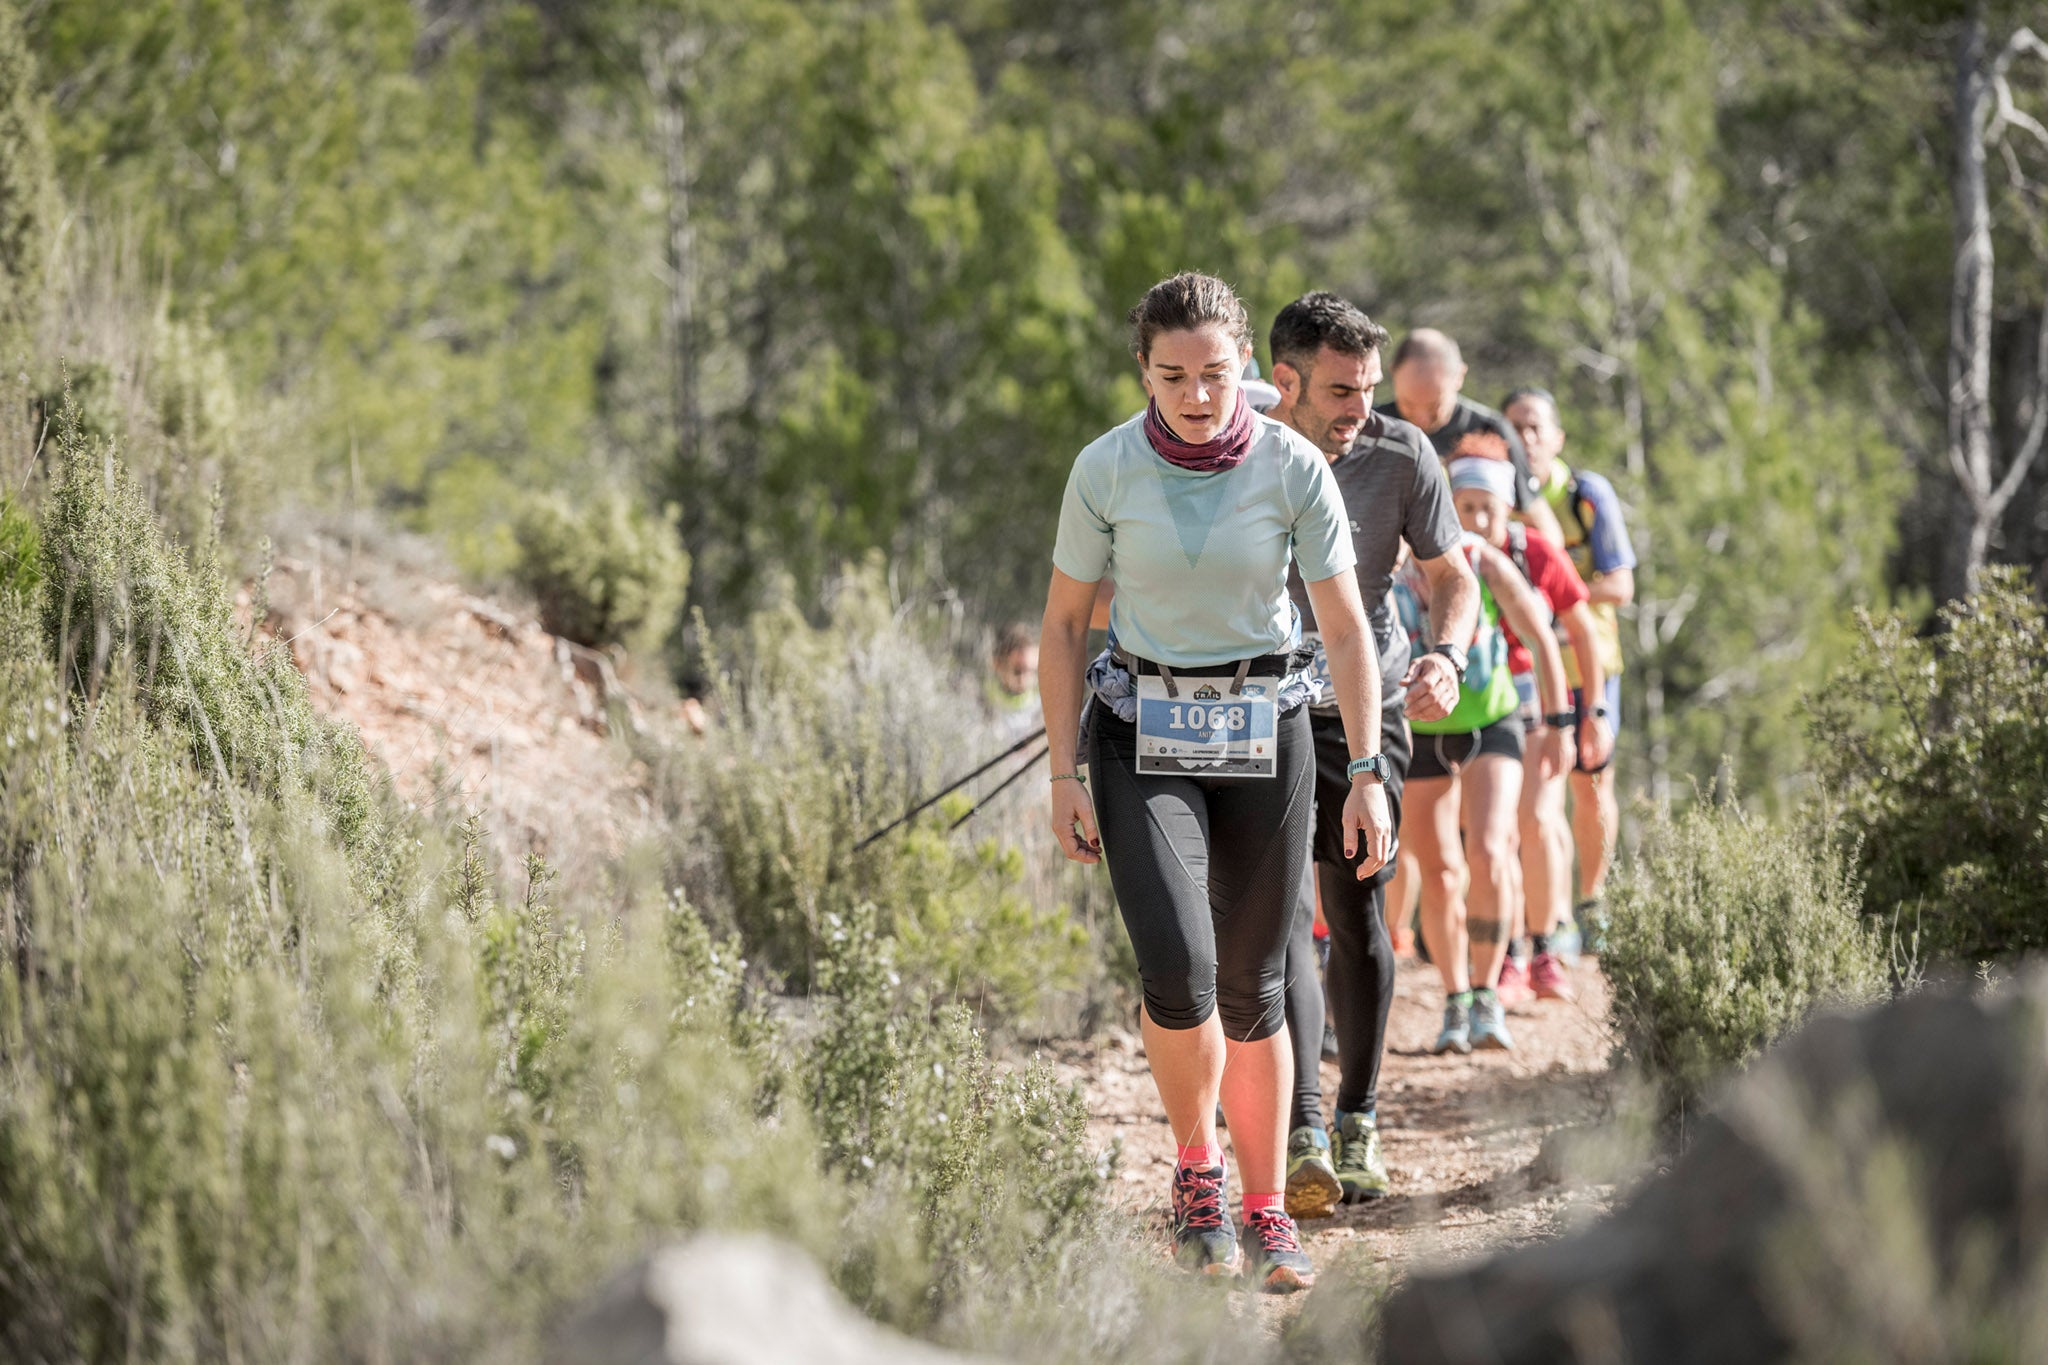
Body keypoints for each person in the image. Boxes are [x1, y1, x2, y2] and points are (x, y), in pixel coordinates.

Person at [1039, 272, 1393, 1292]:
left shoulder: (1291, 468)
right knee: (1179, 971)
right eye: (1172, 375)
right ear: (1142, 373)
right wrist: (1062, 769)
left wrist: (1364, 772)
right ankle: (1197, 1173)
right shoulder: (1103, 468)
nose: (1196, 393)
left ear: (1247, 366)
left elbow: (1341, 628)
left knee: (1253, 988)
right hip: (1139, 735)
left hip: (1265, 732)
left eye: (1214, 372)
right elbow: (1064, 626)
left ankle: (1266, 1205)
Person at [1261, 292, 1480, 1217]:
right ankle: (1304, 1124)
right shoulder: (1242, 449)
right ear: (1286, 383)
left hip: (1370, 702)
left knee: (1355, 908)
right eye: (1341, 391)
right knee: (1280, 913)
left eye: (1367, 388)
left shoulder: (1401, 452)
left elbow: (1451, 573)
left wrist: (1448, 654)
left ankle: (1358, 1115)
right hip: (1264, 706)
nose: (1361, 410)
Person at [1392, 456, 1572, 1055]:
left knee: (1491, 850)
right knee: (1440, 872)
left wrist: (1558, 723)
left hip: (1493, 721)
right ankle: (1455, 999)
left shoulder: (1480, 560)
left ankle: (1489, 990)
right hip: (1417, 728)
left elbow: (1544, 636)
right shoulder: (1386, 565)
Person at [1447, 461, 1612, 1003]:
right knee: (1497, 837)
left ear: (1508, 506)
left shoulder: (1536, 550)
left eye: (1487, 507)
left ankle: (1546, 948)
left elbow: (1582, 631)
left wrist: (1590, 712)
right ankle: (1511, 953)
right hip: (1483, 706)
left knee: (1539, 819)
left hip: (1541, 702)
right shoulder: (1445, 554)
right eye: (1466, 506)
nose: (1476, 518)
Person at [1503, 387, 1636, 937]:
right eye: (1516, 427)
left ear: (1558, 437)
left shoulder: (1585, 495)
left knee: (1590, 784)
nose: (1527, 439)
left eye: (1537, 428)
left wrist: (1559, 591)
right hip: (1525, 672)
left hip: (1590, 669)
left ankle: (1593, 900)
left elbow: (1622, 585)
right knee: (1537, 801)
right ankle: (1549, 922)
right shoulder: (1493, 494)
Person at [1376, 330, 1564, 546]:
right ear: (1392, 374)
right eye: (1408, 404)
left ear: (1459, 377)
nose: (1421, 419)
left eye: (1434, 407)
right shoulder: (1370, 425)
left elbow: (1544, 529)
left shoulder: (1490, 429)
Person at [985, 621, 1043, 743]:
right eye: (1018, 671)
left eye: (1032, 671)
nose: (1026, 680)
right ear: (997, 664)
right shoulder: (984, 698)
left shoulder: (1045, 701)